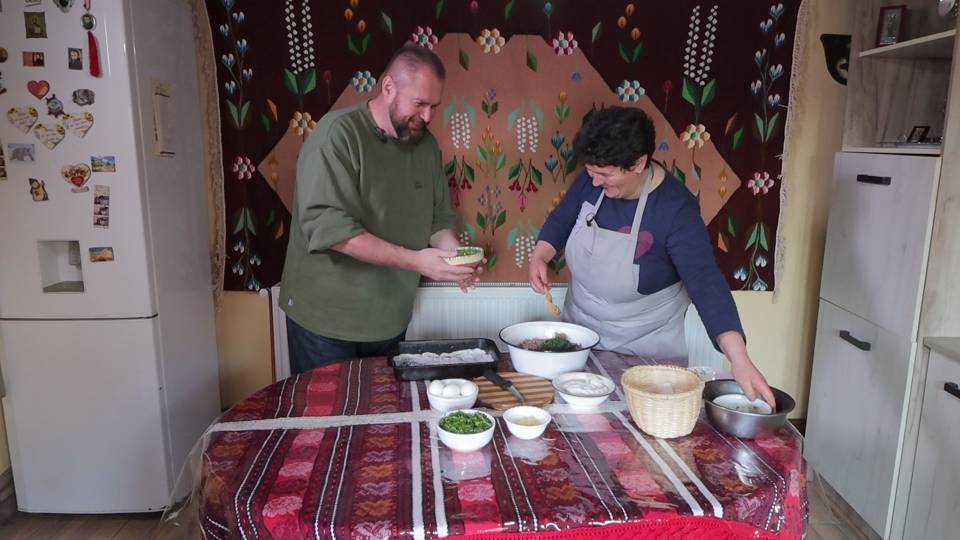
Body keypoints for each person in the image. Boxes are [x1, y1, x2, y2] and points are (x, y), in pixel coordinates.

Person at [528, 107, 776, 407]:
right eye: (591, 173)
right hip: (580, 342)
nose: (594, 182)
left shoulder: (675, 210)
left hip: (645, 357)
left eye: (604, 175)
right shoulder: (591, 181)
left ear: (638, 163)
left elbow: (705, 282)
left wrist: (739, 358)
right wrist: (541, 255)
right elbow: (562, 218)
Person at [280, 44, 481, 374]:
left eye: (434, 106)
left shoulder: (426, 146)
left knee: (381, 409)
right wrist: (416, 261)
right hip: (325, 324)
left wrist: (457, 260)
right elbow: (331, 231)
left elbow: (438, 221)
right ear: (388, 87)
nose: (428, 116)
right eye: (419, 103)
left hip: (390, 320)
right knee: (330, 410)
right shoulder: (338, 134)